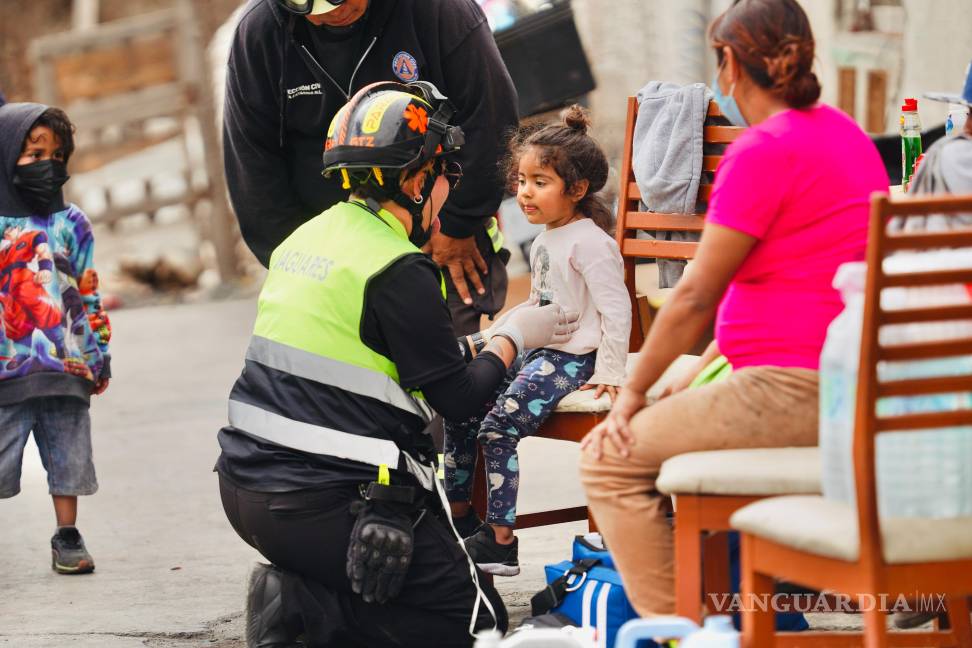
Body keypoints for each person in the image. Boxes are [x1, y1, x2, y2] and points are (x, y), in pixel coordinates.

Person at [216, 81, 578, 647]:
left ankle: (305, 589)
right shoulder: (397, 267)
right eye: (445, 177)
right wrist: (511, 336)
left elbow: (361, 356)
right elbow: (460, 399)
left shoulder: (306, 240)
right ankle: (300, 605)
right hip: (323, 499)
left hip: (248, 486)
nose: (447, 192)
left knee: (408, 595)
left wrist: (472, 348)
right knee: (476, 621)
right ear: (415, 180)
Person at [578, 0, 889, 616]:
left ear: (728, 65)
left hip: (790, 392)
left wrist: (633, 394)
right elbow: (794, 284)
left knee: (606, 460)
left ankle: (682, 631)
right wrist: (697, 370)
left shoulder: (761, 150)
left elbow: (695, 295)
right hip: (845, 385)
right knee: (672, 426)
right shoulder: (850, 137)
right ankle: (722, 616)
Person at [223, 0, 519, 334]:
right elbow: (254, 172)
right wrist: (306, 263)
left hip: (440, 240)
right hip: (332, 262)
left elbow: (491, 118)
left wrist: (460, 225)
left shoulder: (438, 10)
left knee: (447, 364)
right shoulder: (259, 34)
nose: (334, 10)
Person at [444, 106, 630, 576]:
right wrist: (493, 335)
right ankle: (460, 518)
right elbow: (542, 305)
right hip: (540, 351)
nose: (524, 192)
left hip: (574, 359)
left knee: (498, 427)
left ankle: (500, 540)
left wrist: (609, 371)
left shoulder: (591, 243)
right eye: (522, 180)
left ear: (577, 189)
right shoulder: (546, 240)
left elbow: (617, 309)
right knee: (460, 407)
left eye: (540, 182)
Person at [0, 101, 112, 575]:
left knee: (68, 456)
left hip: (67, 368)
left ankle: (67, 535)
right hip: (6, 372)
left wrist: (99, 353)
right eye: (32, 152)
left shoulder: (72, 223)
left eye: (55, 153)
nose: (46, 163)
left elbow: (87, 291)